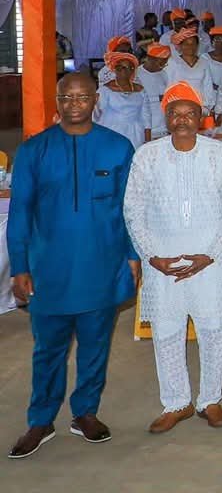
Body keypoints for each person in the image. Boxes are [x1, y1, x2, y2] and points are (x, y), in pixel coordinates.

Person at [6, 74, 137, 458]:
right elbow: (20, 213)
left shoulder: (117, 147)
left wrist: (132, 256)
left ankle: (85, 413)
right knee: (48, 349)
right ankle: (41, 419)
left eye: (83, 96)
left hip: (104, 264)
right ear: (57, 101)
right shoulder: (34, 150)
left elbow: (130, 210)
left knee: (96, 347)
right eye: (67, 96)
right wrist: (19, 266)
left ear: (96, 100)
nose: (75, 103)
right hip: (49, 269)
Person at [126, 82, 222, 434]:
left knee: (211, 329)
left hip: (210, 258)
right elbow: (133, 209)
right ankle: (176, 402)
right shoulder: (147, 155)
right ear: (166, 117)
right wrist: (152, 255)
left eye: (190, 113)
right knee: (167, 332)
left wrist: (210, 254)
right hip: (162, 260)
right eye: (175, 114)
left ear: (202, 117)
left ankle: (210, 399)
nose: (182, 120)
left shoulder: (218, 154)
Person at [96, 51, 156, 147]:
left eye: (127, 68)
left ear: (132, 70)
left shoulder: (140, 90)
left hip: (136, 135)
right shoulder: (105, 90)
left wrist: (147, 141)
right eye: (119, 67)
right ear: (114, 69)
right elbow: (96, 115)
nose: (123, 70)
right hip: (112, 133)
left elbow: (146, 116)